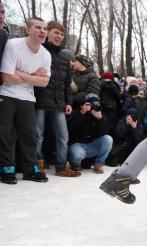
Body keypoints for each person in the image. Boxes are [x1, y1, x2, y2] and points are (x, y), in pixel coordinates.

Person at [0, 17, 51, 184]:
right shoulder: (14, 44)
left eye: (45, 28)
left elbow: (44, 82)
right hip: (6, 94)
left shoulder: (46, 55)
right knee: (6, 134)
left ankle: (30, 170)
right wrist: (33, 76)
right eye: (38, 27)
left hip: (28, 97)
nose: (43, 31)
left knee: (29, 135)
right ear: (28, 30)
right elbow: (6, 77)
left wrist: (21, 74)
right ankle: (7, 168)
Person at [34, 21, 80, 178]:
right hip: (40, 99)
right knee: (38, 134)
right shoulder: (39, 50)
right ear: (48, 33)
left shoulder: (65, 56)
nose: (59, 36)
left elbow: (67, 83)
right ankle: (37, 164)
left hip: (59, 102)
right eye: (56, 32)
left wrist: (69, 102)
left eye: (61, 34)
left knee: (63, 135)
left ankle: (61, 167)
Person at [68, 94, 112, 174]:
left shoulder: (100, 114)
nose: (93, 107)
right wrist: (82, 112)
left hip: (93, 145)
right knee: (77, 155)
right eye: (91, 104)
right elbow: (71, 128)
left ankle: (99, 164)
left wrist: (100, 119)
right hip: (78, 145)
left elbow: (105, 133)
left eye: (96, 104)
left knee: (108, 139)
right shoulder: (79, 112)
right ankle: (75, 164)